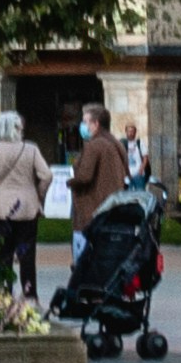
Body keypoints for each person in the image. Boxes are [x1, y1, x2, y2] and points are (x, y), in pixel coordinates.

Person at [0, 110, 49, 298]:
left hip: (0, 208)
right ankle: (30, 296)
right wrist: (38, 196)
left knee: (2, 255)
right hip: (27, 207)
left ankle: (2, 295)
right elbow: (47, 175)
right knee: (27, 256)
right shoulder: (30, 149)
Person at [65, 107, 131, 265]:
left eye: (85, 121)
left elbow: (84, 177)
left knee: (84, 260)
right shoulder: (116, 143)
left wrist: (69, 182)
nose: (82, 125)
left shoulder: (93, 145)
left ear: (96, 124)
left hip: (91, 207)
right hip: (111, 205)